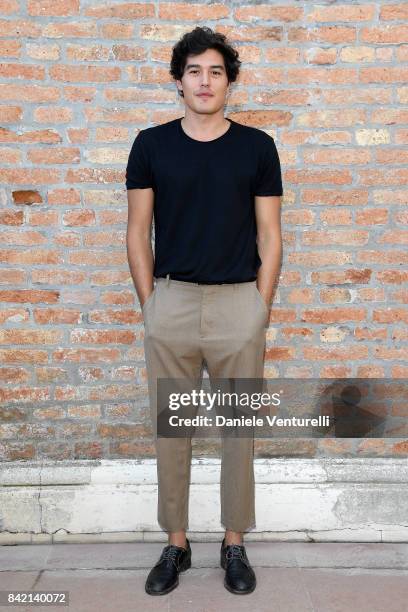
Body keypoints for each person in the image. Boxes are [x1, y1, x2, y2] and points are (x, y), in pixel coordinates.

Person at [126, 26, 283, 596]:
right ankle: (176, 543)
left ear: (229, 82)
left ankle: (234, 542)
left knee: (238, 430)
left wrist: (258, 307)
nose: (205, 80)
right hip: (172, 301)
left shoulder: (257, 147)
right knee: (175, 430)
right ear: (178, 81)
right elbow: (138, 230)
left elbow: (271, 235)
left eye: (216, 71)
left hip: (238, 302)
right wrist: (152, 305)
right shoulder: (151, 145)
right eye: (194, 70)